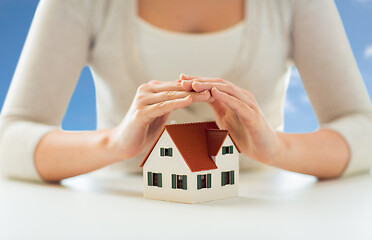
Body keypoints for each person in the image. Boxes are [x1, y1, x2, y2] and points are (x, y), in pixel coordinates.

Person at [0, 0, 371, 183]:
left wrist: (277, 147)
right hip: (118, 211)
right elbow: (10, 135)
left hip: (263, 213)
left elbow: (362, 127)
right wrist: (114, 144)